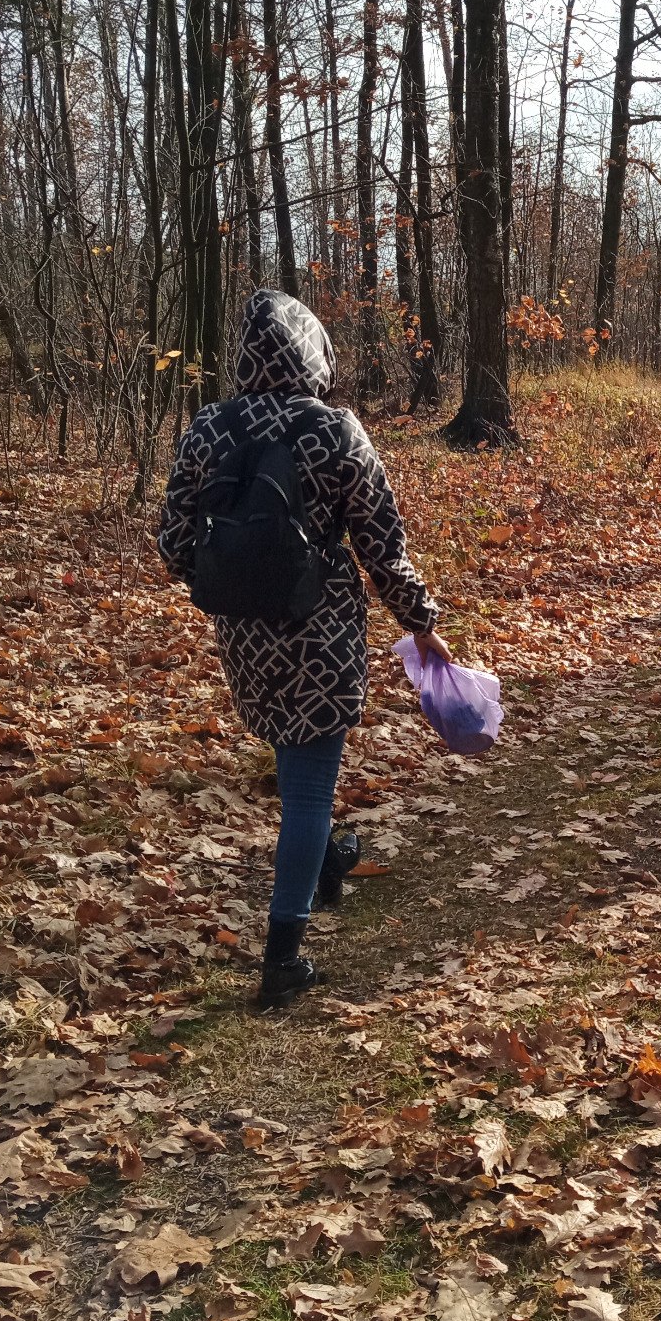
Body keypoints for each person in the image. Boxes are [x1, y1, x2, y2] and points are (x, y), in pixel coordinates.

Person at [158, 289, 448, 1009]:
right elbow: (383, 546)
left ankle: (326, 866)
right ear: (313, 353)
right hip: (320, 628)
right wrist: (420, 619)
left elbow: (171, 543)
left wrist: (228, 582)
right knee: (309, 789)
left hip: (244, 632)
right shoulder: (334, 431)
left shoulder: (208, 428)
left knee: (298, 774)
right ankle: (282, 957)